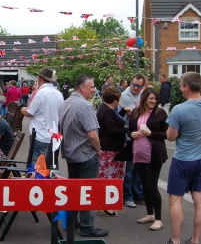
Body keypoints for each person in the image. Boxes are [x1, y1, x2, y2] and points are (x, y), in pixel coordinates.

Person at [165, 72, 201, 244]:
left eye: (180, 84)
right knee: (200, 200)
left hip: (183, 160)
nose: (180, 87)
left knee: (175, 200)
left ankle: (176, 240)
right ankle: (195, 240)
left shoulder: (179, 109)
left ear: (186, 87)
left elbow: (171, 137)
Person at [59, 74, 108, 238]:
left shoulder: (66, 103)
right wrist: (99, 150)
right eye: (91, 87)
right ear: (82, 87)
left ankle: (73, 222)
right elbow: (92, 135)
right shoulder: (84, 106)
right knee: (88, 192)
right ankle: (87, 227)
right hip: (85, 154)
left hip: (71, 154)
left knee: (74, 191)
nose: (93, 90)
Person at [127, 88, 168, 231]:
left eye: (155, 99)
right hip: (138, 154)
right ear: (144, 98)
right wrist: (131, 134)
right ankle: (149, 214)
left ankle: (158, 219)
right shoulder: (136, 112)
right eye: (151, 98)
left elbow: (168, 134)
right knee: (143, 185)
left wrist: (151, 133)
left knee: (151, 186)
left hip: (153, 155)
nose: (153, 101)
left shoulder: (160, 113)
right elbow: (129, 129)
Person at [21, 66, 64, 165]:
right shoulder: (59, 94)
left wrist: (22, 109)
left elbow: (28, 112)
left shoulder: (40, 93)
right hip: (54, 135)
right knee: (51, 165)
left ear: (40, 78)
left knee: (37, 167)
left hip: (40, 135)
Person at [96, 86, 126, 217]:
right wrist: (127, 130)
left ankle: (104, 204)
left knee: (106, 176)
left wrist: (123, 112)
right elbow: (112, 129)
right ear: (115, 100)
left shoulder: (103, 109)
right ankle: (106, 206)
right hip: (111, 149)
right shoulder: (108, 111)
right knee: (110, 178)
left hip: (107, 148)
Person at [119, 72, 146, 208]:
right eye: (134, 85)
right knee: (129, 169)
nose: (136, 88)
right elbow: (136, 113)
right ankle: (127, 196)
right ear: (130, 83)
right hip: (128, 136)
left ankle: (138, 195)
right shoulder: (125, 96)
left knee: (138, 167)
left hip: (140, 136)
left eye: (139, 86)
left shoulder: (142, 95)